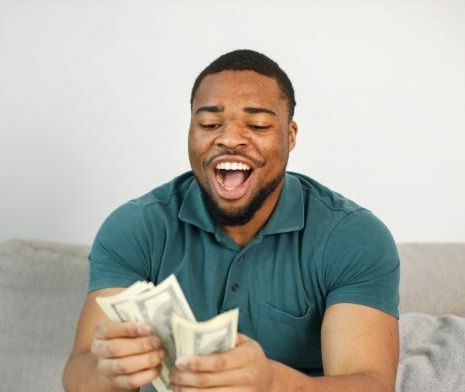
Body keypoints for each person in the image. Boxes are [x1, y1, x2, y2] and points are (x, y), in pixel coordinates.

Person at [62, 49, 400, 392]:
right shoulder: (135, 227)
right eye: (209, 124)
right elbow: (78, 372)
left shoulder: (353, 237)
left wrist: (273, 383)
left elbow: (371, 383)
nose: (229, 139)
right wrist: (107, 373)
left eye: (257, 125)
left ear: (290, 136)